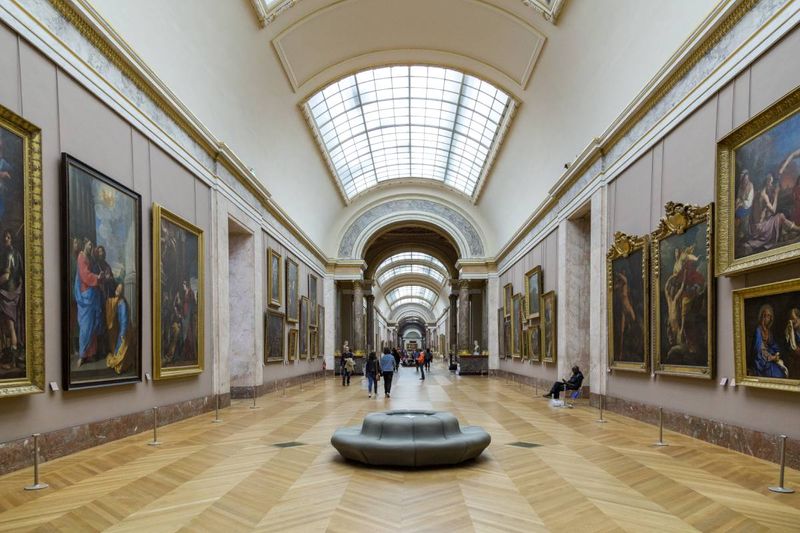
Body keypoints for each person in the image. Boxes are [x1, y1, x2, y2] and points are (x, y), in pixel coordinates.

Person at [74, 238, 107, 368]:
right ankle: (82, 355)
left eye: (91, 245)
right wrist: (97, 278)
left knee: (92, 325)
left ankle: (91, 353)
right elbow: (85, 275)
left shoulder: (90, 258)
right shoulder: (81, 257)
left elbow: (93, 274)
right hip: (86, 296)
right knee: (86, 325)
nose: (90, 247)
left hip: (92, 294)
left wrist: (100, 277)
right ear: (84, 245)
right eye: (89, 244)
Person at [0, 230, 23, 370]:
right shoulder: (18, 254)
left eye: (8, 237)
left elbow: (6, 276)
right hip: (14, 293)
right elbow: (20, 277)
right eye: (4, 237)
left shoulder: (7, 253)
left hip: (6, 293)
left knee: (9, 327)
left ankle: (12, 362)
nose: (6, 239)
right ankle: (9, 356)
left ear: (11, 239)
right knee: (9, 326)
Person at [752, 304, 788, 378]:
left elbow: (774, 345)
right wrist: (769, 357)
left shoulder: (769, 332)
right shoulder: (758, 330)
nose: (766, 318)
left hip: (770, 357)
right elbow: (757, 349)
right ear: (761, 317)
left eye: (768, 316)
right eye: (764, 315)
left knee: (782, 372)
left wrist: (776, 354)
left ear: (771, 318)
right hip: (761, 360)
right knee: (777, 375)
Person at [104, 283, 129, 374]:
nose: (118, 290)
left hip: (124, 330)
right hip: (120, 329)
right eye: (117, 288)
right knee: (117, 348)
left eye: (120, 289)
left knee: (121, 348)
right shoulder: (118, 301)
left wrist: (122, 333)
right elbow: (110, 303)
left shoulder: (122, 303)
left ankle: (120, 364)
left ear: (122, 291)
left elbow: (124, 320)